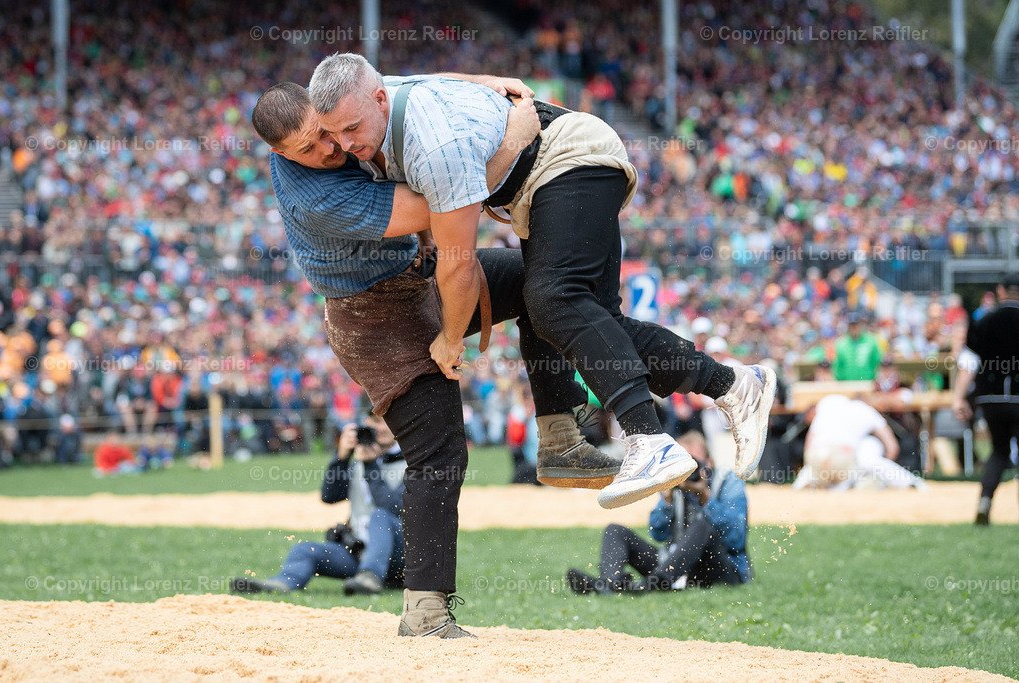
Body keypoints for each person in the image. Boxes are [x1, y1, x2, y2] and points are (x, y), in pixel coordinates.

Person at [308, 53, 776, 513]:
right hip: (540, 184)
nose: (345, 144)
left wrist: (451, 339)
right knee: (593, 324)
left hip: (569, 158)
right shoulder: (373, 96)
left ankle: (648, 438)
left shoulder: (433, 147)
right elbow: (431, 76)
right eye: (333, 133)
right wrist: (487, 78)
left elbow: (459, 264)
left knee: (552, 298)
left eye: (353, 128)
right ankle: (733, 385)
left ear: (379, 100)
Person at [251, 75, 618, 638]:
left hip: (411, 279)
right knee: (439, 453)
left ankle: (560, 438)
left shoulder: (342, 122)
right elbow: (448, 199)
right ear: (279, 154)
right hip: (373, 318)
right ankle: (424, 614)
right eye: (308, 147)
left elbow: (404, 82)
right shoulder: (319, 194)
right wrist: (511, 137)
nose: (330, 149)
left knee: (546, 287)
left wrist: (488, 84)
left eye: (327, 134)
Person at [231, 415, 406, 596]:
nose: (382, 428)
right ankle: (282, 583)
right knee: (305, 550)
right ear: (366, 425)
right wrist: (341, 457)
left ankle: (371, 577)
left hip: (401, 555)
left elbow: (393, 507)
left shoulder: (413, 463)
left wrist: (370, 465)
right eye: (376, 422)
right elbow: (329, 496)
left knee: (380, 515)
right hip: (360, 553)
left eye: (387, 421)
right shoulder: (360, 462)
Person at [566, 431, 751, 594]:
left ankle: (653, 583)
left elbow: (736, 538)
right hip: (676, 564)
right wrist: (666, 501)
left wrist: (706, 498)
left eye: (694, 463)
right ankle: (609, 584)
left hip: (719, 566)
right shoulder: (674, 483)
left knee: (702, 525)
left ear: (708, 464)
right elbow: (658, 534)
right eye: (683, 465)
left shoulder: (728, 482)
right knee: (615, 531)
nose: (688, 472)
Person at [952, 273, 1019, 525]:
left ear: (1001, 291)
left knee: (999, 451)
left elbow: (969, 364)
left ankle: (985, 501)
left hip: (990, 398)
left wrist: (958, 398)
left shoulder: (984, 321)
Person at [792, 394, 927, 490]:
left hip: (816, 458)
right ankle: (911, 482)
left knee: (819, 473)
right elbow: (892, 447)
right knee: (866, 458)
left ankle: (808, 485)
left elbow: (810, 442)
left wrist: (809, 463)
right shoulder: (867, 411)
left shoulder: (830, 405)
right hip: (842, 458)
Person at [833, 312, 883, 381]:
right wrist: (841, 381)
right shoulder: (841, 344)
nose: (854, 327)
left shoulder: (871, 341)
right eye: (852, 325)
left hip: (867, 382)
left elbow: (876, 362)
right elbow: (837, 367)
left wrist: (873, 378)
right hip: (847, 384)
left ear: (861, 325)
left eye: (856, 324)